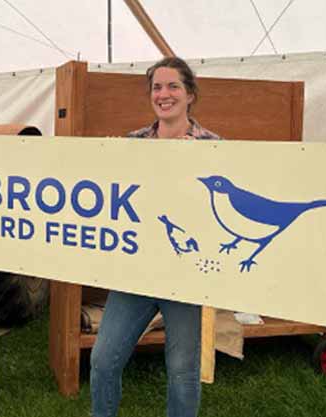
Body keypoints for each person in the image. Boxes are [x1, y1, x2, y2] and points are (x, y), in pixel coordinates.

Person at [90, 57, 220, 417]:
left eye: (173, 86)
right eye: (157, 87)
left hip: (185, 277)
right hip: (136, 272)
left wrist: (199, 166)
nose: (164, 94)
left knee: (182, 370)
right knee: (103, 359)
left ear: (190, 94)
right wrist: (103, 160)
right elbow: (109, 198)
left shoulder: (216, 147)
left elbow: (219, 216)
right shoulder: (132, 143)